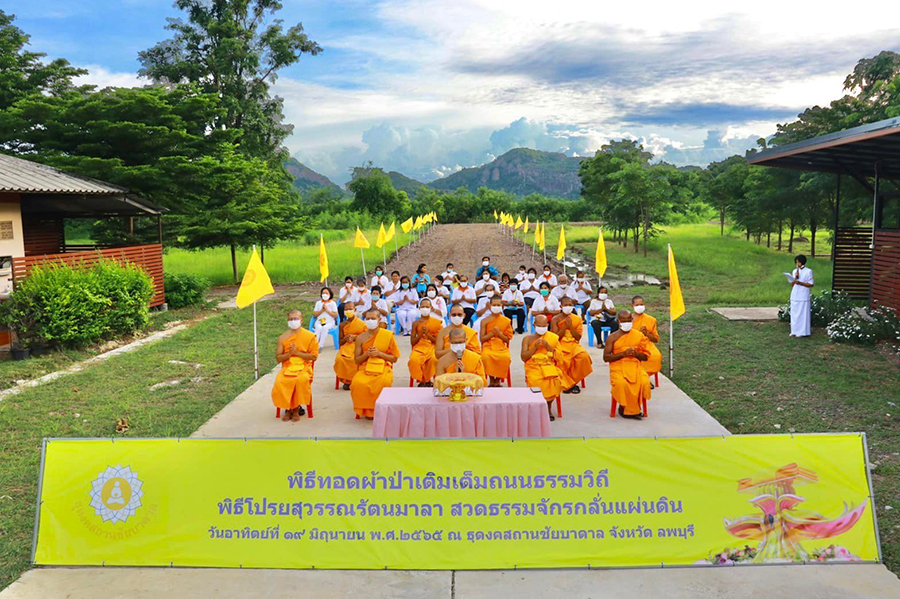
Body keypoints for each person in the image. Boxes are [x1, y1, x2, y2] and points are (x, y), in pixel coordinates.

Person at [350, 308, 400, 419]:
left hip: (383, 366)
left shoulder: (387, 335)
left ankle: (380, 408)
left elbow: (394, 358)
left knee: (384, 382)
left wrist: (379, 354)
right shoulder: (360, 338)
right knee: (357, 383)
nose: (370, 321)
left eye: (373, 318)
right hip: (365, 367)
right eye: (368, 319)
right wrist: (366, 354)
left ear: (379, 319)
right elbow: (357, 360)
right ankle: (367, 410)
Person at [604, 310, 651, 420]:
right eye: (624, 321)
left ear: (632, 320)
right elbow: (606, 357)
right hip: (618, 366)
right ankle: (623, 406)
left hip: (634, 365)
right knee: (621, 383)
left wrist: (636, 354)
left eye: (629, 320)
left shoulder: (638, 335)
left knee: (644, 382)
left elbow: (646, 356)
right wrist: (622, 354)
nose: (627, 323)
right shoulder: (612, 337)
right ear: (618, 321)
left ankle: (634, 407)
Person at [272, 310, 318, 421]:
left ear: (301, 320)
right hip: (288, 366)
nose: (293, 321)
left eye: (296, 319)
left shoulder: (309, 336)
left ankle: (296, 410)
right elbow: (278, 358)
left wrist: (297, 353)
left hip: (304, 366)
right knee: (280, 380)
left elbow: (313, 357)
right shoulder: (283, 338)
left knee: (300, 380)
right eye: (291, 319)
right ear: (287, 321)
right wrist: (289, 354)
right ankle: (288, 409)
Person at [521, 314, 562, 421]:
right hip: (533, 366)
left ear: (547, 325)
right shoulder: (527, 339)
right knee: (536, 381)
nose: (542, 328)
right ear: (534, 325)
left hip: (548, 364)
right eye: (539, 325)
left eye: (544, 325)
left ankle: (548, 408)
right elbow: (524, 357)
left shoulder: (552, 338)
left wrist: (548, 346)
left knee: (554, 379)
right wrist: (534, 347)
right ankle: (536, 408)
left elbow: (559, 357)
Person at [551, 297, 594, 394]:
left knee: (584, 357)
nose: (568, 307)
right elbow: (555, 337)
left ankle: (572, 382)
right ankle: (568, 384)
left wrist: (570, 326)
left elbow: (578, 337)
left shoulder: (577, 319)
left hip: (573, 343)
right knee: (562, 359)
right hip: (560, 344)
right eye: (565, 305)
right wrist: (565, 326)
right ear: (560, 306)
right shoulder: (555, 319)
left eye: (570, 305)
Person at [408, 299, 443, 386]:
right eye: (423, 307)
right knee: (413, 360)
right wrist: (420, 334)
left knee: (433, 360)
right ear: (419, 308)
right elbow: (412, 342)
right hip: (419, 347)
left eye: (427, 307)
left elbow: (438, 341)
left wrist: (427, 334)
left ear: (431, 308)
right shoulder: (416, 323)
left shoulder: (436, 323)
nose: (425, 309)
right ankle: (421, 380)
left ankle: (427, 381)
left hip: (432, 347)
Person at [479, 296, 513, 387]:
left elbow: (507, 339)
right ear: (490, 306)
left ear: (502, 306)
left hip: (501, 346)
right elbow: (482, 339)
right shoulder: (484, 321)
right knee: (485, 356)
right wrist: (492, 334)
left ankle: (497, 380)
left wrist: (499, 334)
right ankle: (491, 380)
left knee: (505, 357)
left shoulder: (506, 321)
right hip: (488, 345)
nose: (496, 307)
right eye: (494, 305)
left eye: (498, 305)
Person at [333, 302, 366, 389]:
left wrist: (355, 337)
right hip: (346, 346)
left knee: (354, 359)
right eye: (346, 309)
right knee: (340, 359)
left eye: (350, 309)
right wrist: (346, 339)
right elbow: (340, 342)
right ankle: (346, 381)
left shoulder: (361, 323)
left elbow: (366, 338)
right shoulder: (342, 325)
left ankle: (355, 380)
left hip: (358, 346)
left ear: (355, 310)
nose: (348, 311)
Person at [630, 295, 662, 383]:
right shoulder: (628, 319)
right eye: (637, 305)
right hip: (632, 343)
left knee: (655, 356)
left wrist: (647, 333)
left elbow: (655, 339)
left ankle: (645, 378)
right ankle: (638, 377)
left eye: (641, 304)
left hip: (646, 344)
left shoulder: (651, 320)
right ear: (632, 306)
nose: (639, 307)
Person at [790, 254, 814, 337]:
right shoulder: (794, 271)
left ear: (802, 262)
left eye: (798, 262)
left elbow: (811, 284)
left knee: (802, 314)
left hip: (803, 295)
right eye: (796, 262)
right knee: (794, 312)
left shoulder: (808, 271)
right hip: (795, 294)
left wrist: (800, 283)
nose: (797, 264)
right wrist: (795, 279)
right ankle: (794, 330)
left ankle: (802, 332)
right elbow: (792, 284)